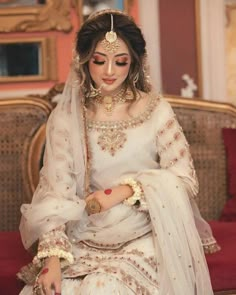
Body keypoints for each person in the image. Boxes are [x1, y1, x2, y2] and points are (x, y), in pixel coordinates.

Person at [18, 9, 220, 295]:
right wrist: (52, 259)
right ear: (84, 60)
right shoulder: (67, 118)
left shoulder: (155, 110)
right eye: (99, 61)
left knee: (102, 287)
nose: (109, 71)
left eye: (120, 61)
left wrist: (124, 191)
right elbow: (55, 194)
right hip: (84, 234)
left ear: (134, 63)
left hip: (145, 233)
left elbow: (185, 180)